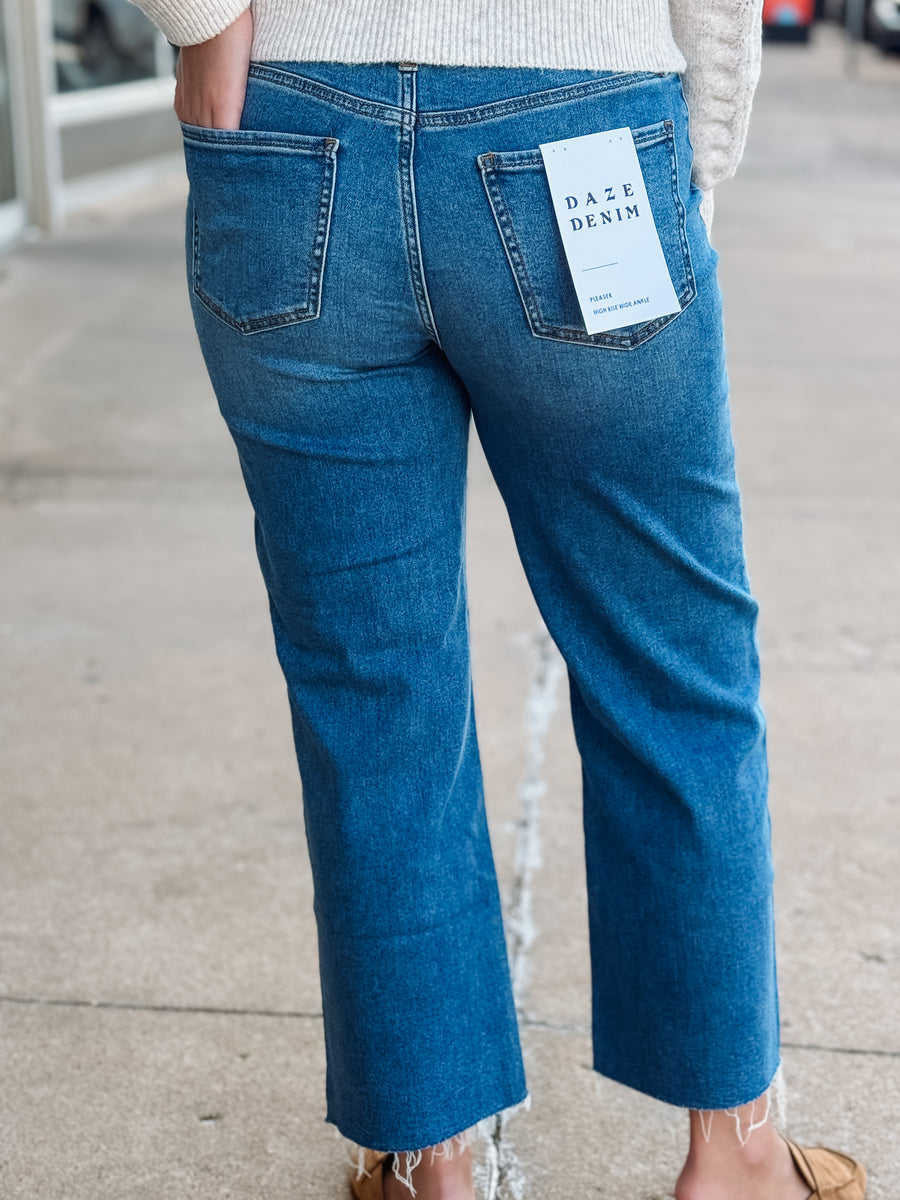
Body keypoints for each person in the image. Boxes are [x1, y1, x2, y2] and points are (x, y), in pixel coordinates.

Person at [131, 1, 865, 1197]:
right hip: (581, 100)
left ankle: (429, 1165)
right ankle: (734, 1157)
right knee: (672, 671)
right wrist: (694, 148)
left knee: (371, 689)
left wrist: (202, 21)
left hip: (291, 122)